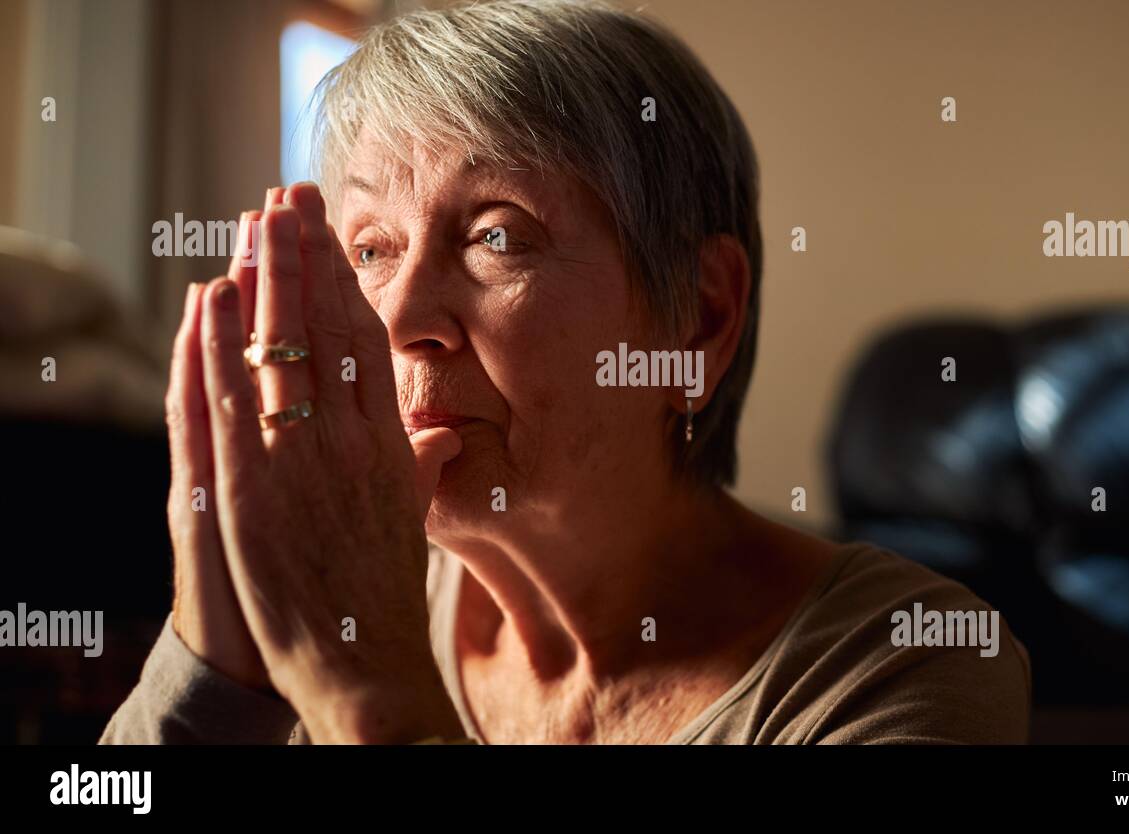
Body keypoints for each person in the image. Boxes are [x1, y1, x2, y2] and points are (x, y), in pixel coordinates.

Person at [101, 0, 1030, 745]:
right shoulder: (331, 581)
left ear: (699, 316)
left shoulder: (903, 665)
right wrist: (214, 661)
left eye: (497, 235)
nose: (405, 319)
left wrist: (367, 696)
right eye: (372, 249)